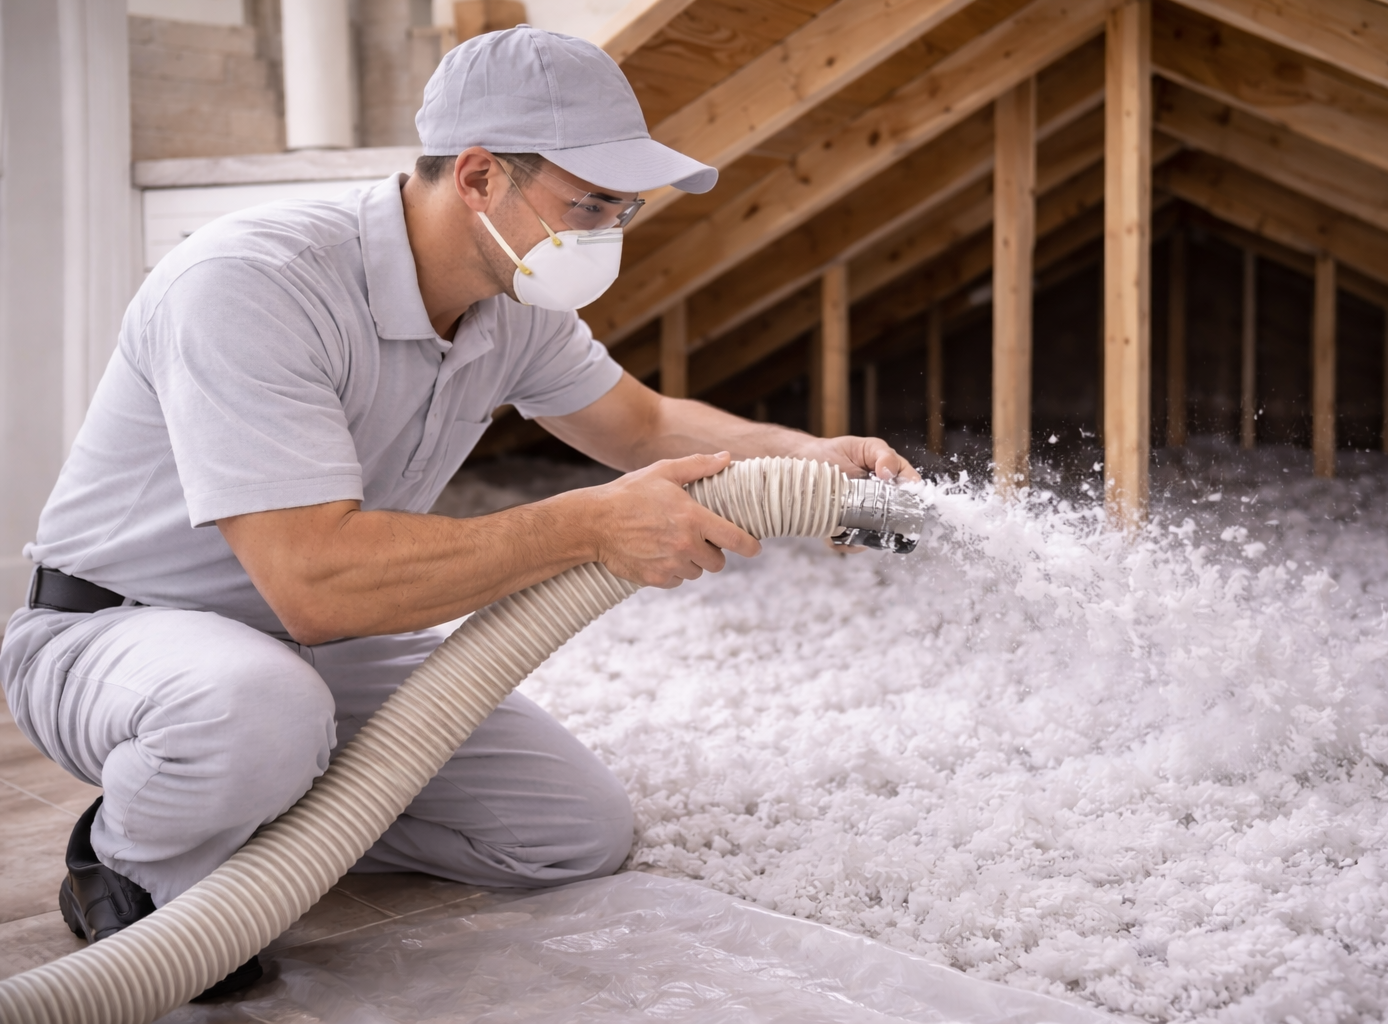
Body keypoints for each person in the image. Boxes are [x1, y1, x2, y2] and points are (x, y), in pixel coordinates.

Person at [0, 26, 916, 998]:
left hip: (315, 648)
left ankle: (264, 810)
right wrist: (588, 526)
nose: (608, 230)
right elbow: (312, 580)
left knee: (569, 830)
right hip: (124, 633)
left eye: (622, 207)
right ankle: (125, 856)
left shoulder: (509, 303)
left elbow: (641, 424)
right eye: (589, 202)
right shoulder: (254, 284)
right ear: (479, 176)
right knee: (256, 710)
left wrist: (813, 462)